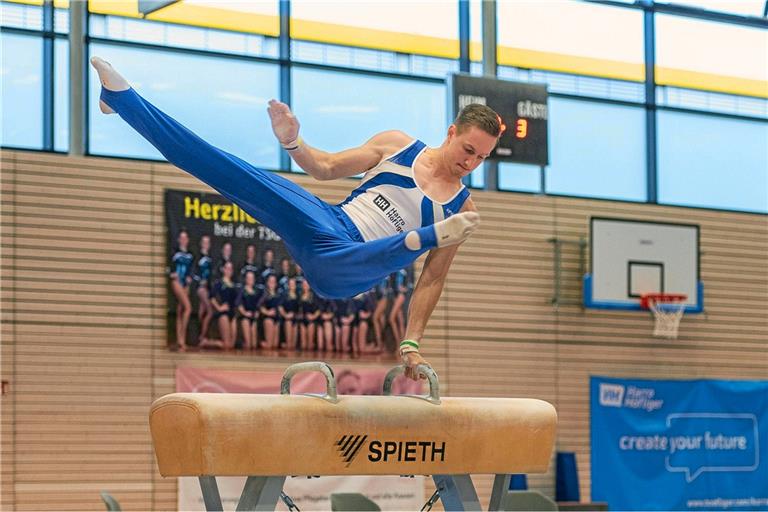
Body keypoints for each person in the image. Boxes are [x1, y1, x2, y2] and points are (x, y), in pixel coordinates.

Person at [91, 56, 501, 380]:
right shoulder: (398, 146)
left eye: (481, 158)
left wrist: (411, 341)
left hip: (352, 267)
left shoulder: (462, 210)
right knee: (229, 171)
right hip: (327, 222)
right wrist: (292, 141)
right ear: (450, 132)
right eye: (468, 150)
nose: (471, 163)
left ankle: (417, 240)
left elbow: (432, 278)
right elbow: (323, 167)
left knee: (368, 258)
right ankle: (123, 102)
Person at [169, 229, 193, 350]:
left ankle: (180, 340)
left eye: (185, 238)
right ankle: (182, 337)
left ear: (187, 240)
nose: (183, 240)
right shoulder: (175, 253)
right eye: (181, 238)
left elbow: (191, 271)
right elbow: (170, 267)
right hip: (177, 282)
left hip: (185, 283)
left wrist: (189, 278)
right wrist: (172, 273)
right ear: (179, 240)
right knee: (188, 308)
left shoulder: (190, 255)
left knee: (180, 310)